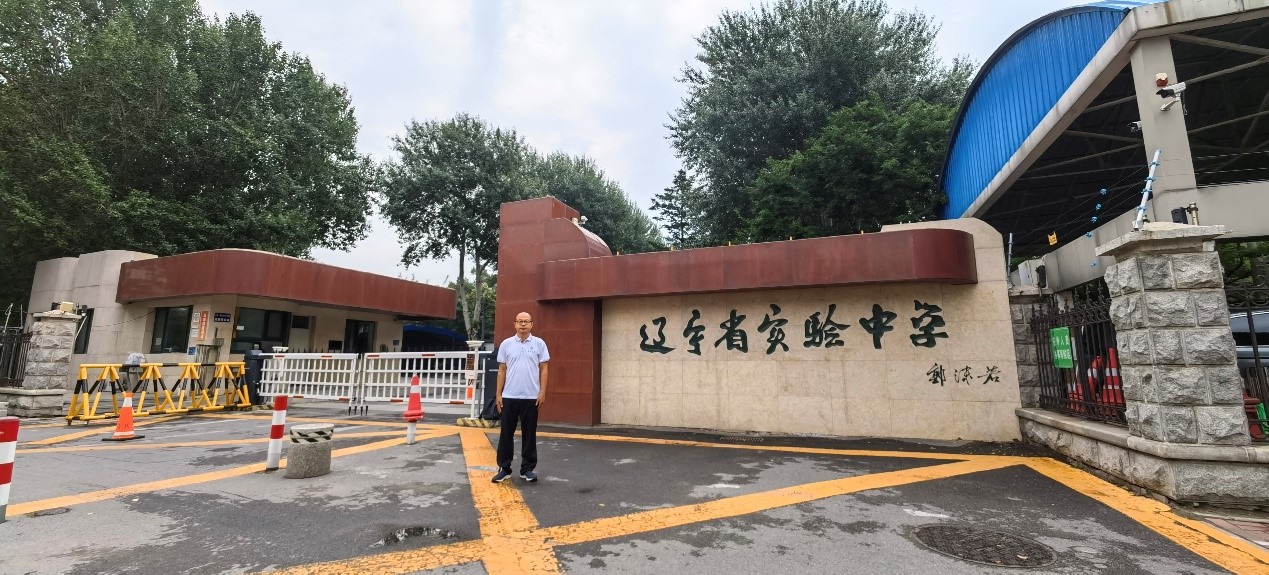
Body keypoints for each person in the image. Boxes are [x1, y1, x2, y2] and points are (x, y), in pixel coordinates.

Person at [493, 312, 549, 483]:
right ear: (515, 324)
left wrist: (542, 392)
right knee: (506, 433)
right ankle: (505, 468)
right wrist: (498, 394)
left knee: (529, 434)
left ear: (531, 324)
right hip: (509, 396)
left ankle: (527, 469)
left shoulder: (539, 343)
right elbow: (502, 370)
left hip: (531, 397)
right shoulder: (506, 344)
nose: (523, 324)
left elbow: (544, 369)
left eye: (526, 321)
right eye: (520, 321)